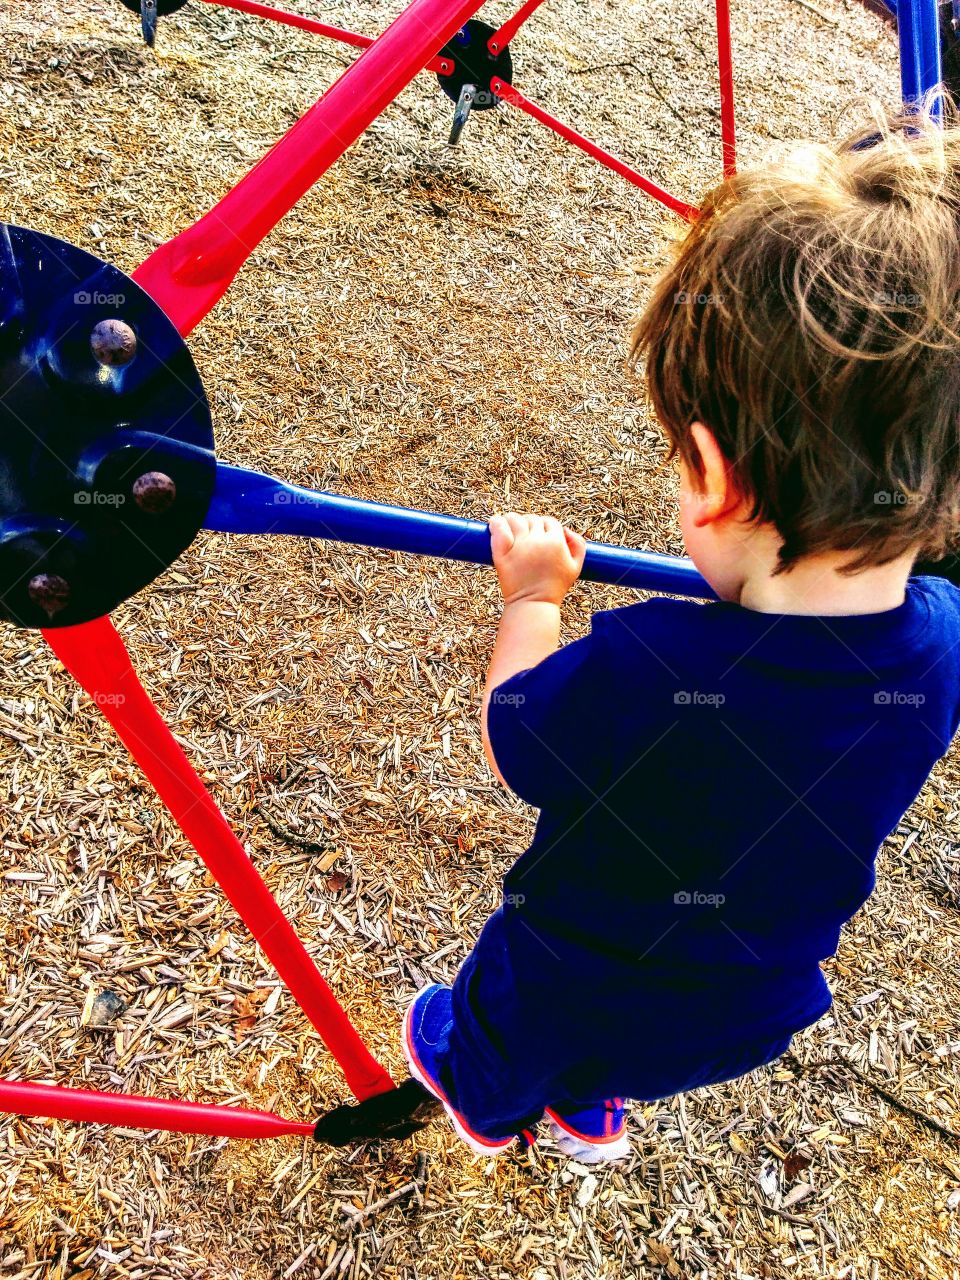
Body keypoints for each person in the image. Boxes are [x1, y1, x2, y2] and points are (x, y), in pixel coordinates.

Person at [402, 104, 960, 1163]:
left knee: (503, 1022)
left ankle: (487, 1095)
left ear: (712, 478)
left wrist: (531, 599)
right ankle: (592, 1104)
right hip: (749, 1010)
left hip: (571, 986)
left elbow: (514, 737)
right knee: (626, 1047)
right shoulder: (942, 645)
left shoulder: (652, 662)